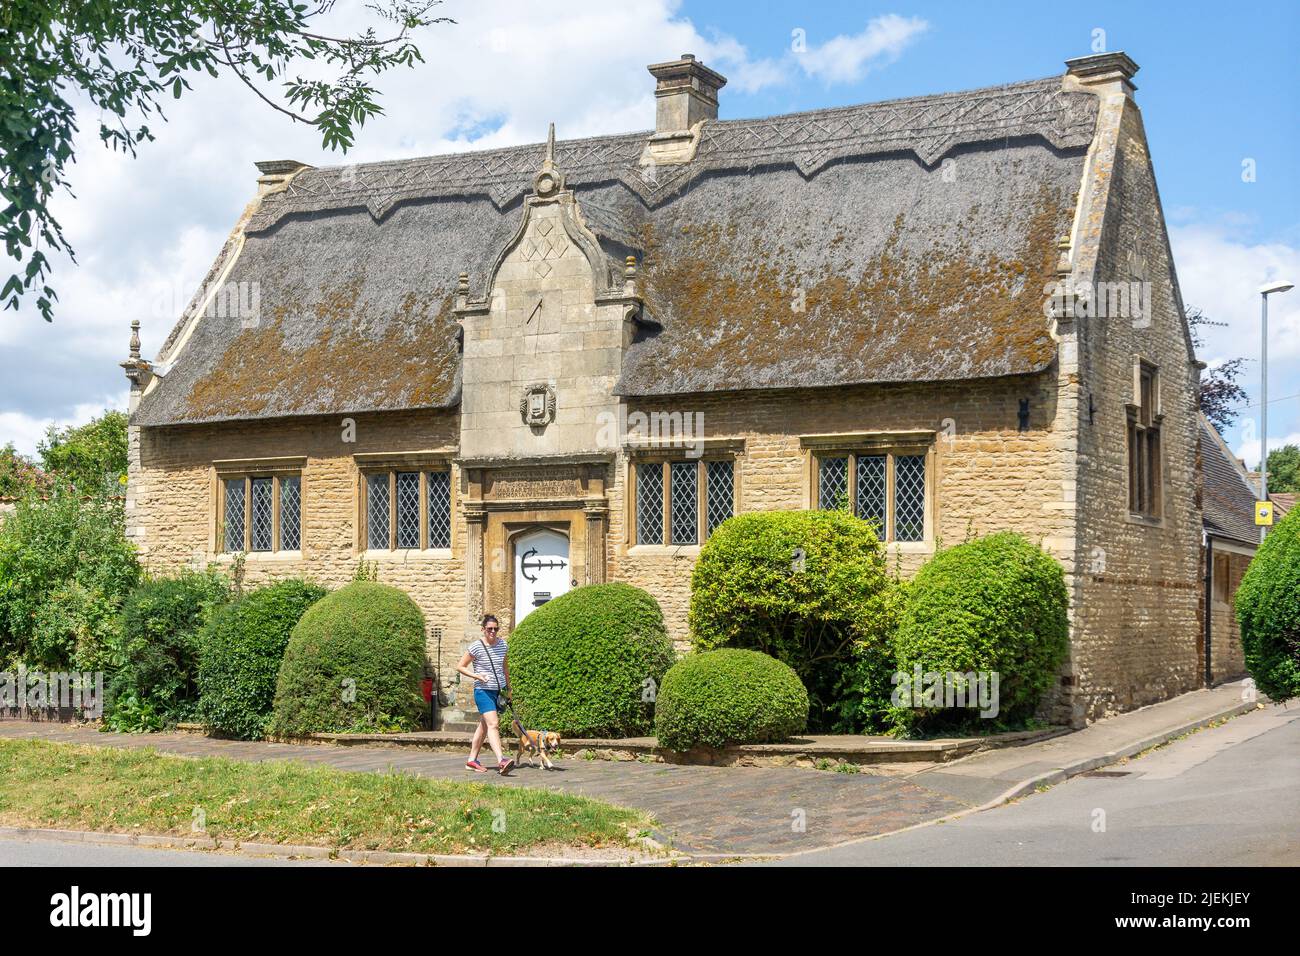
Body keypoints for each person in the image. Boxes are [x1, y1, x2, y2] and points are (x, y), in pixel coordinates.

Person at [456, 614, 515, 775]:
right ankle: (501, 760)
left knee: (484, 726)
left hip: (498, 691)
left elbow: (505, 668)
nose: (493, 632)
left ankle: (471, 760)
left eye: (496, 628)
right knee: (493, 724)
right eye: (490, 629)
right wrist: (476, 676)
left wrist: (508, 690)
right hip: (483, 691)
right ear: (483, 629)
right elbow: (460, 666)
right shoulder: (476, 646)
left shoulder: (503, 645)